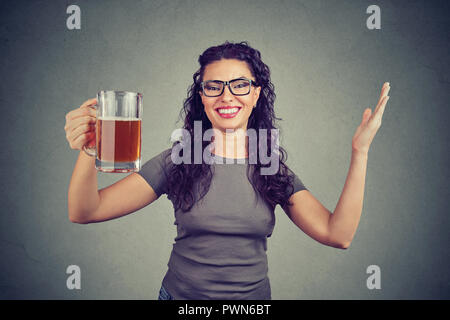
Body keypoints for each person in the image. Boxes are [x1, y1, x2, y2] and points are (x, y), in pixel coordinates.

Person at [64, 41, 391, 300]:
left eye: (239, 85)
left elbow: (338, 235)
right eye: (214, 87)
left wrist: (359, 151)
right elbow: (85, 211)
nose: (226, 96)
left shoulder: (270, 166)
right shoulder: (179, 158)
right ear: (202, 98)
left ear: (256, 94)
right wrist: (89, 150)